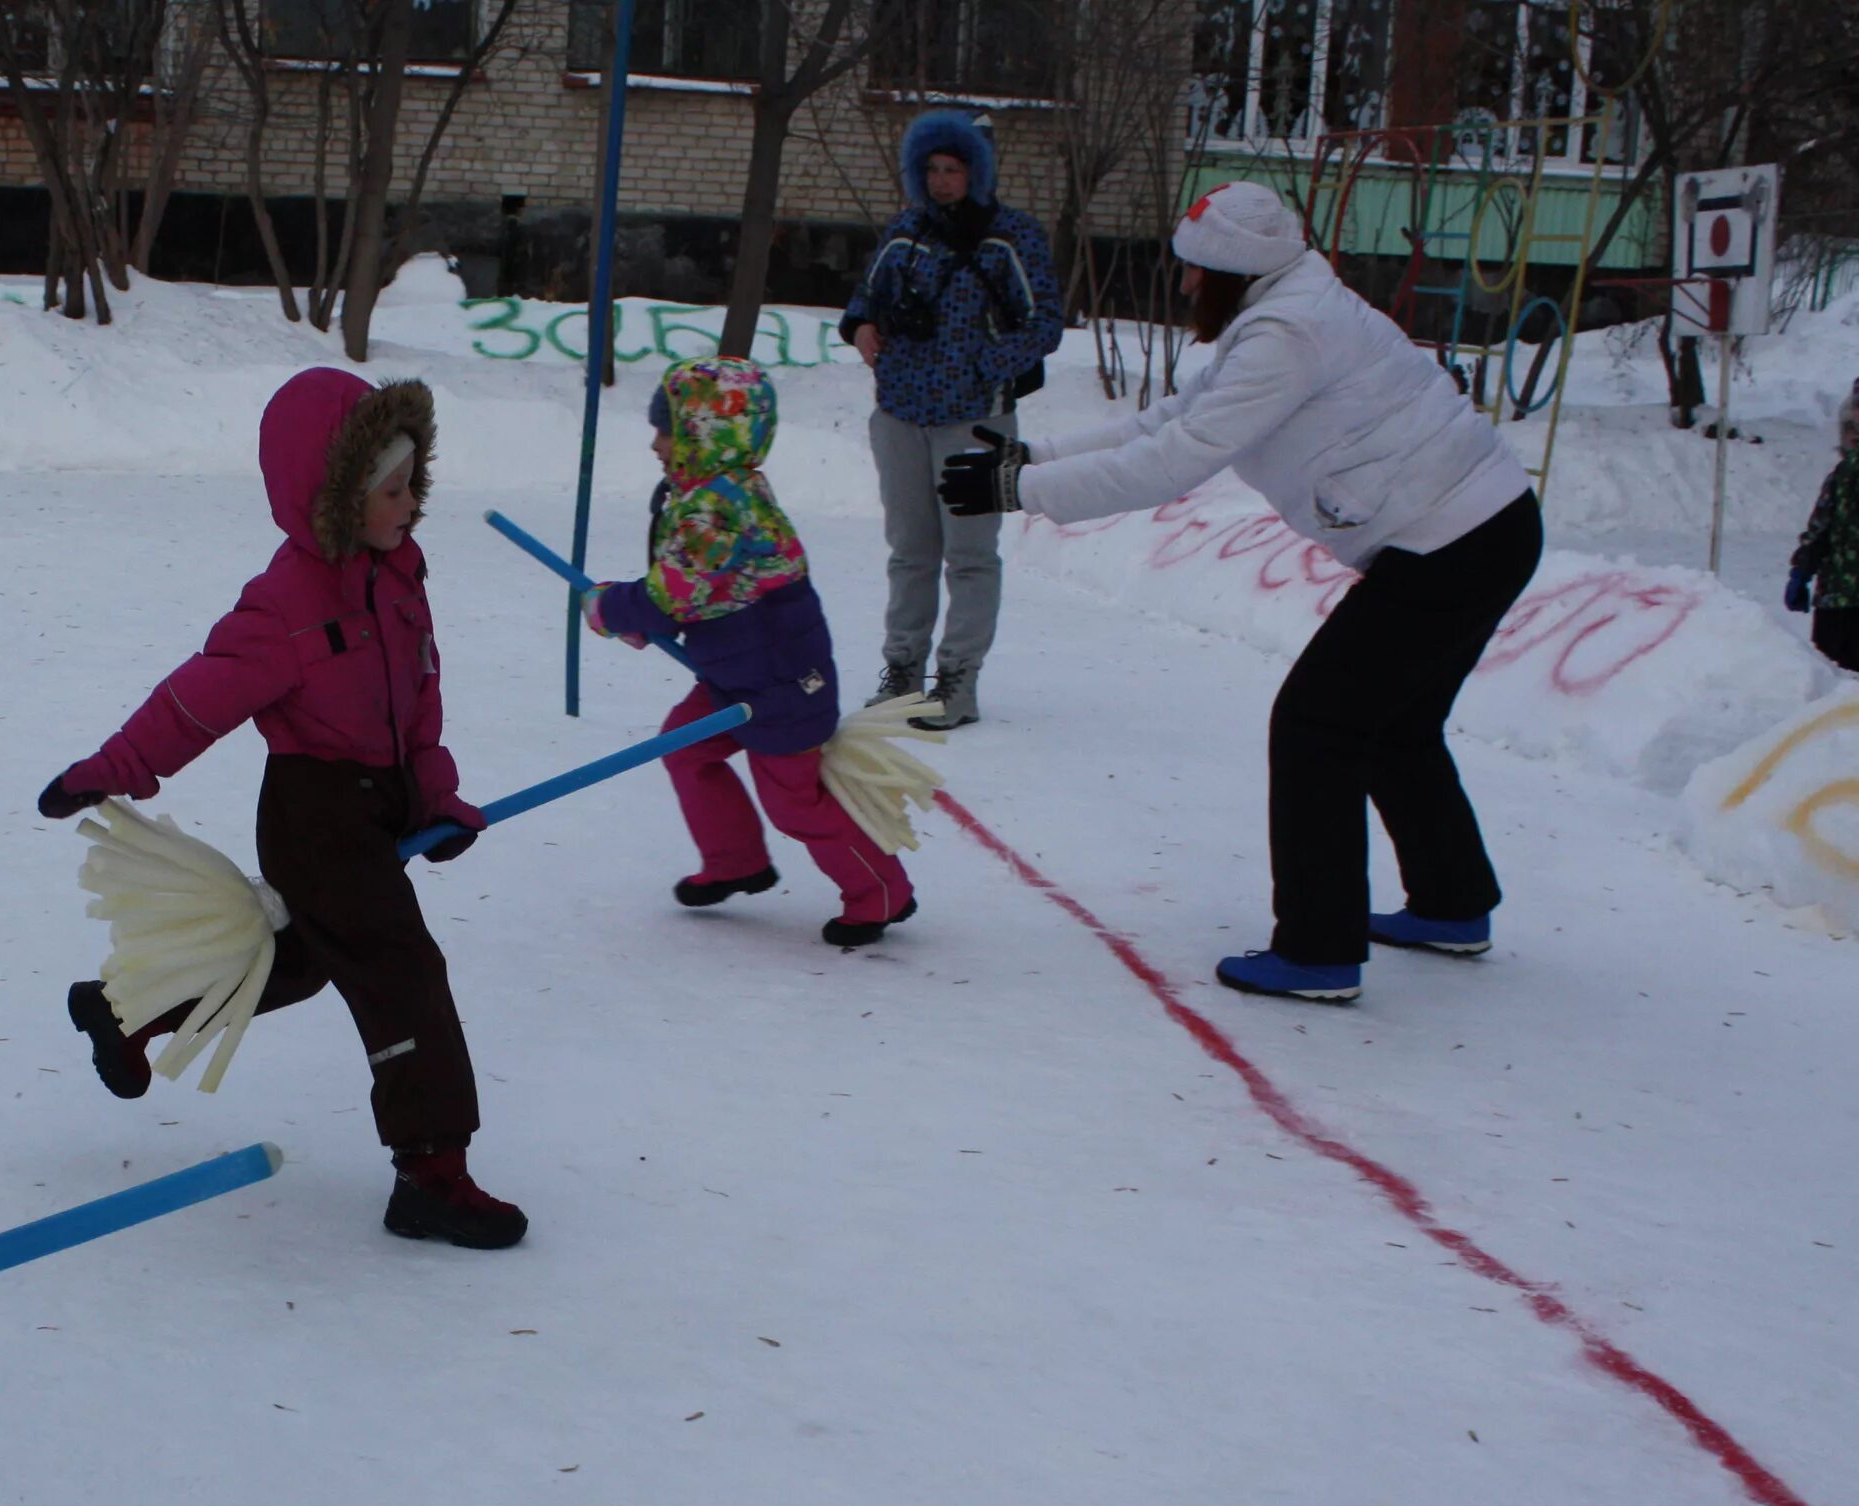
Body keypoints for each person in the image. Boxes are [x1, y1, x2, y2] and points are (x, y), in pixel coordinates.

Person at [941, 180, 1541, 1004]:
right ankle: (1450, 904)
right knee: (1395, 726)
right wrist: (1032, 456)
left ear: (1230, 271)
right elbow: (1163, 421)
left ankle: (1319, 949)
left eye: (1194, 271)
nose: (1185, 285)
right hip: (1481, 527)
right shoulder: (1283, 310)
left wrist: (1020, 495)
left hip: (1454, 541)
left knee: (1316, 725)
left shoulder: (1287, 334)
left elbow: (1177, 460)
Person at [37, 366, 525, 1251]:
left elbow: (419, 701)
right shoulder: (289, 602)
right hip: (315, 813)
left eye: (414, 482)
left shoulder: (399, 576)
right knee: (398, 970)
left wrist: (435, 792)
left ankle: (132, 1014)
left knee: (295, 958)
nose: (411, 503)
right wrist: (114, 766)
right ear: (335, 496)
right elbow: (199, 698)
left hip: (377, 805)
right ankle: (431, 1171)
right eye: (390, 489)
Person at [580, 355, 916, 946]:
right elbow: (692, 589)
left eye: (667, 429)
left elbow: (675, 590)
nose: (656, 444)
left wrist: (612, 610)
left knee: (795, 805)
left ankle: (880, 891)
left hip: (783, 684)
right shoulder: (710, 491)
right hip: (736, 673)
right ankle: (736, 861)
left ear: (704, 434)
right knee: (685, 750)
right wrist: (654, 620)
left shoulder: (717, 504)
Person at [837, 107, 1064, 731]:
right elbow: (864, 298)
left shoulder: (1010, 237)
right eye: (931, 169)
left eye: (954, 169)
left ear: (977, 173)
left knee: (969, 556)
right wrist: (861, 328)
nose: (941, 181)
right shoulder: (905, 231)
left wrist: (987, 364)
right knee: (909, 552)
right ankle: (902, 673)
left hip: (975, 421)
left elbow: (1046, 322)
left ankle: (957, 682)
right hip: (900, 414)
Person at [1785, 376, 1859, 675]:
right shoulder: (1844, 473)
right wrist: (1802, 570)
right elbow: (1823, 527)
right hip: (1837, 604)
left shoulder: (1846, 471)